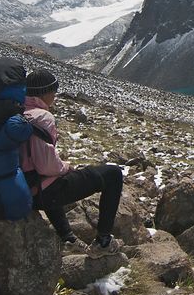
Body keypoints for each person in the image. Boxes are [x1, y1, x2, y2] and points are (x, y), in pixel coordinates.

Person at [20, 68, 124, 257]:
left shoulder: (17, 111)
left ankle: (68, 239)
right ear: (45, 93)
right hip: (40, 192)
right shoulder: (42, 117)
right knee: (113, 174)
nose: (55, 95)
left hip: (24, 188)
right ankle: (103, 242)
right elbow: (45, 166)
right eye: (54, 90)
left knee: (50, 180)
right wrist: (66, 167)